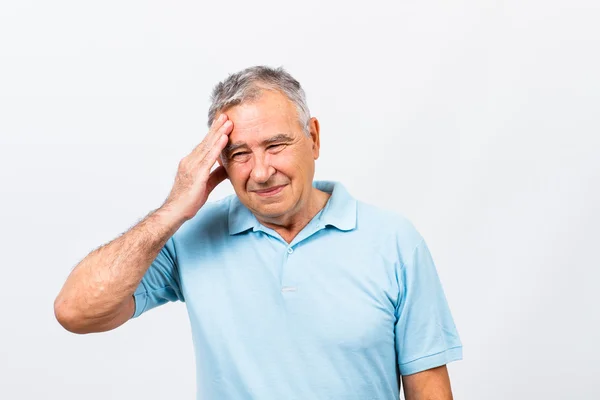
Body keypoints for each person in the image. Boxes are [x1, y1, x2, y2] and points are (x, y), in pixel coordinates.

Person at [54, 65, 463, 399]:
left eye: (276, 145)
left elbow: (428, 387)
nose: (262, 172)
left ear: (313, 138)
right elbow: (76, 311)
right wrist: (172, 210)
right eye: (240, 154)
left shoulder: (393, 241)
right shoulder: (191, 238)